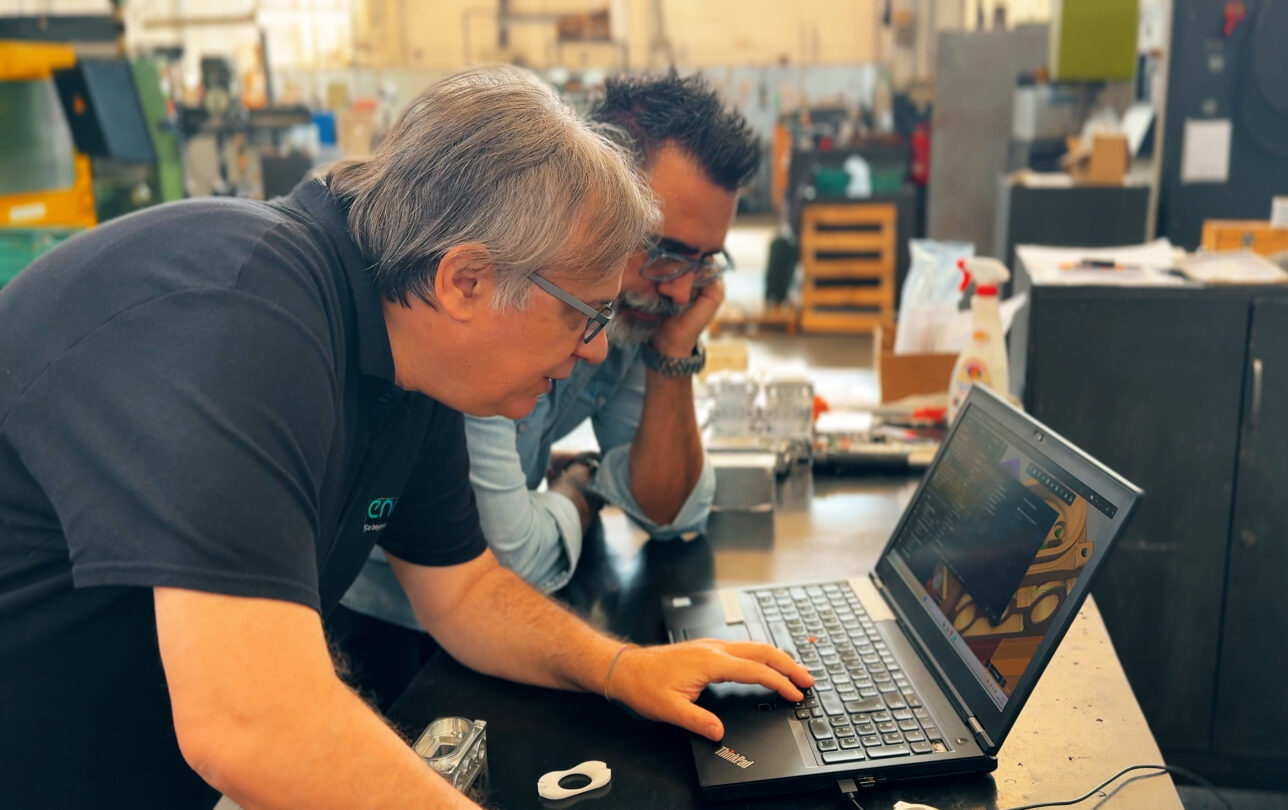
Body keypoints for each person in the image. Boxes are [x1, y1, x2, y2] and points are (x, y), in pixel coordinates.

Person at [0, 66, 810, 810]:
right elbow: (252, 725)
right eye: (584, 314)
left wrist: (618, 667)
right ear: (467, 280)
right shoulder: (245, 318)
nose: (599, 348)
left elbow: (462, 594)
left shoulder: (410, 360)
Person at [337, 75, 756, 690]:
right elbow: (512, 565)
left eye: (702, 263)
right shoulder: (489, 315)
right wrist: (584, 487)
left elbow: (670, 511)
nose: (678, 289)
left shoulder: (634, 314)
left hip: (486, 618)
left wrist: (673, 354)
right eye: (661, 248)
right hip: (391, 622)